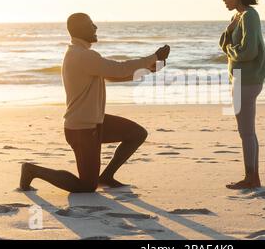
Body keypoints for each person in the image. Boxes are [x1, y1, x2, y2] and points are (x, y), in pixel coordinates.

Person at [19, 13, 170, 193]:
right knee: (87, 186)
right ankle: (32, 170)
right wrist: (153, 57)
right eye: (91, 24)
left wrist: (151, 68)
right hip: (81, 129)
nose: (95, 27)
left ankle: (106, 177)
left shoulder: (82, 55)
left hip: (96, 122)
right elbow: (119, 68)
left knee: (137, 134)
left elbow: (114, 76)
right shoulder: (82, 55)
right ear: (80, 29)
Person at [219, 0, 265, 190]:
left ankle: (251, 178)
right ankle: (252, 176)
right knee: (247, 131)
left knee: (246, 132)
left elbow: (248, 52)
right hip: (240, 78)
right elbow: (224, 45)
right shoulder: (238, 17)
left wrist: (231, 48)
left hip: (246, 80)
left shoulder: (249, 16)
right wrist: (229, 33)